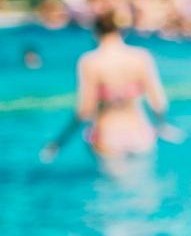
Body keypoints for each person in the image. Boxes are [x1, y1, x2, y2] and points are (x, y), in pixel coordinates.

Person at [41, 12, 173, 162]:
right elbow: (158, 102)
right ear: (121, 30)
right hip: (140, 133)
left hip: (108, 135)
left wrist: (59, 142)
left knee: (114, 183)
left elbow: (84, 111)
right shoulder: (141, 57)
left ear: (96, 32)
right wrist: (163, 125)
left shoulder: (90, 62)